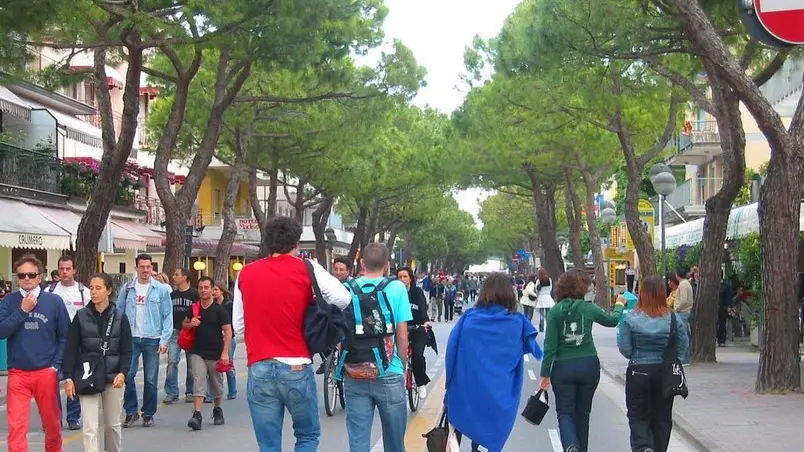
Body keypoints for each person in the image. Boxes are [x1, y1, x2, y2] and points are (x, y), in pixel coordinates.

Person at [233, 216, 350, 451]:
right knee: (306, 436)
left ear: (267, 242)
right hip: (296, 364)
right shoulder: (307, 268)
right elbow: (343, 298)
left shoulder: (245, 273)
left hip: (259, 366)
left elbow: (239, 326)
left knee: (268, 445)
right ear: (297, 242)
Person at [446, 272, 543, 452]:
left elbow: (452, 353)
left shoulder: (469, 318)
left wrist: (449, 387)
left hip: (470, 389)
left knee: (471, 428)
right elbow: (532, 349)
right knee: (491, 436)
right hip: (500, 392)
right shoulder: (517, 323)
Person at [539, 269, 625, 452]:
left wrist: (545, 374)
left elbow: (550, 347)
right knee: (583, 414)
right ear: (580, 287)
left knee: (565, 412)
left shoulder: (555, 312)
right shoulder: (589, 308)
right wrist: (619, 305)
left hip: (563, 368)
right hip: (588, 365)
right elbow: (612, 321)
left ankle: (571, 446)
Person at [342, 242, 412, 452]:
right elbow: (402, 333)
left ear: (362, 263)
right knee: (394, 441)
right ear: (387, 265)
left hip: (354, 371)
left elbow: (341, 332)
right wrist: (402, 362)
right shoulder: (397, 288)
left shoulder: (346, 288)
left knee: (358, 440)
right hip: (389, 371)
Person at [0, 254, 70, 452]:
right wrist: (22, 310)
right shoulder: (9, 302)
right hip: (18, 374)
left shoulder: (54, 301)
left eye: (31, 274)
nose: (27, 279)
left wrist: (56, 366)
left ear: (40, 276)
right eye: (22, 275)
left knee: (53, 425)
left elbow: (65, 336)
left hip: (46, 372)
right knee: (16, 428)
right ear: (17, 278)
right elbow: (2, 331)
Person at [617, 276, 689, 452]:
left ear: (641, 294)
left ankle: (643, 447)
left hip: (638, 371)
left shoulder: (630, 318)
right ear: (662, 294)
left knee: (638, 416)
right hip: (664, 373)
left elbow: (625, 349)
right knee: (662, 418)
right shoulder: (673, 318)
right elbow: (682, 346)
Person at [63, 273, 133, 452]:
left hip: (113, 376)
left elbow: (127, 350)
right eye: (91, 288)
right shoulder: (80, 316)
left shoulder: (120, 317)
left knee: (112, 425)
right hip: (88, 375)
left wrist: (123, 373)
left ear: (109, 291)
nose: (93, 292)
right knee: (90, 428)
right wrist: (69, 377)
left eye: (98, 288)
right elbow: (71, 348)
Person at [117, 254, 173, 428]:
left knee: (150, 378)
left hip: (152, 338)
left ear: (152, 268)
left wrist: (164, 340)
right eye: (142, 267)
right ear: (136, 268)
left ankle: (148, 413)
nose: (145, 270)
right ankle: (131, 411)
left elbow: (167, 316)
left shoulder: (161, 289)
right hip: (131, 338)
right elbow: (118, 312)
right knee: (128, 375)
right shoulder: (127, 289)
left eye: (148, 267)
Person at [185, 276, 232, 430]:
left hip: (216, 353)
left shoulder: (220, 310)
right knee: (198, 382)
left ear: (212, 290)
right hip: (197, 352)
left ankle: (217, 409)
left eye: (206, 287)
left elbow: (227, 330)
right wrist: (190, 324)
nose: (203, 290)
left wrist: (225, 352)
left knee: (217, 387)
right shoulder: (194, 308)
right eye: (201, 287)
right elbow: (183, 324)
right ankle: (196, 415)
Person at [49, 255, 90, 430]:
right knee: (51, 381)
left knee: (73, 379)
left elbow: (90, 316)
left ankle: (73, 418)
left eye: (68, 269)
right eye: (62, 269)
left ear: (74, 270)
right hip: (54, 342)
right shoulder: (50, 292)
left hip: (77, 342)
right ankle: (54, 418)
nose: (65, 272)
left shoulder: (84, 291)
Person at [164, 267, 199, 404]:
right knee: (172, 361)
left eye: (177, 274)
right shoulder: (172, 295)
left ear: (185, 277)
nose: (174, 277)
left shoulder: (194, 295)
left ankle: (190, 391)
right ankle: (172, 392)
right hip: (174, 332)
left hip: (190, 332)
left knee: (191, 364)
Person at [397, 267, 431, 398]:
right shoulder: (394, 293)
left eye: (405, 277)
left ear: (410, 278)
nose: (402, 279)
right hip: (399, 328)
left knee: (417, 355)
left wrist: (426, 322)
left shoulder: (417, 292)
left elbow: (422, 309)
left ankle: (421, 382)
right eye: (399, 277)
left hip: (417, 327)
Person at [213, 282, 237, 400]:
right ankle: (211, 393)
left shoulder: (228, 305)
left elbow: (232, 322)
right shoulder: (212, 305)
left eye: (215, 289)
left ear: (222, 291)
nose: (213, 292)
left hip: (228, 337)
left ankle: (233, 390)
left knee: (228, 364)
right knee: (213, 365)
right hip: (216, 337)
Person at [674, 269, 694, 364]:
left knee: (683, 335)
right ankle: (686, 356)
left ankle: (684, 358)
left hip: (682, 311)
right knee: (686, 334)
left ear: (677, 275)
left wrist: (677, 308)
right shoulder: (687, 283)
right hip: (687, 311)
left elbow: (684, 300)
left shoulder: (682, 285)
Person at [534, 268, 555, 332]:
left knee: (541, 315)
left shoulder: (538, 281)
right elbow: (551, 288)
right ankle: (548, 327)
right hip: (548, 297)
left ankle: (541, 328)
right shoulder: (549, 280)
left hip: (541, 298)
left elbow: (536, 290)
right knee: (548, 315)